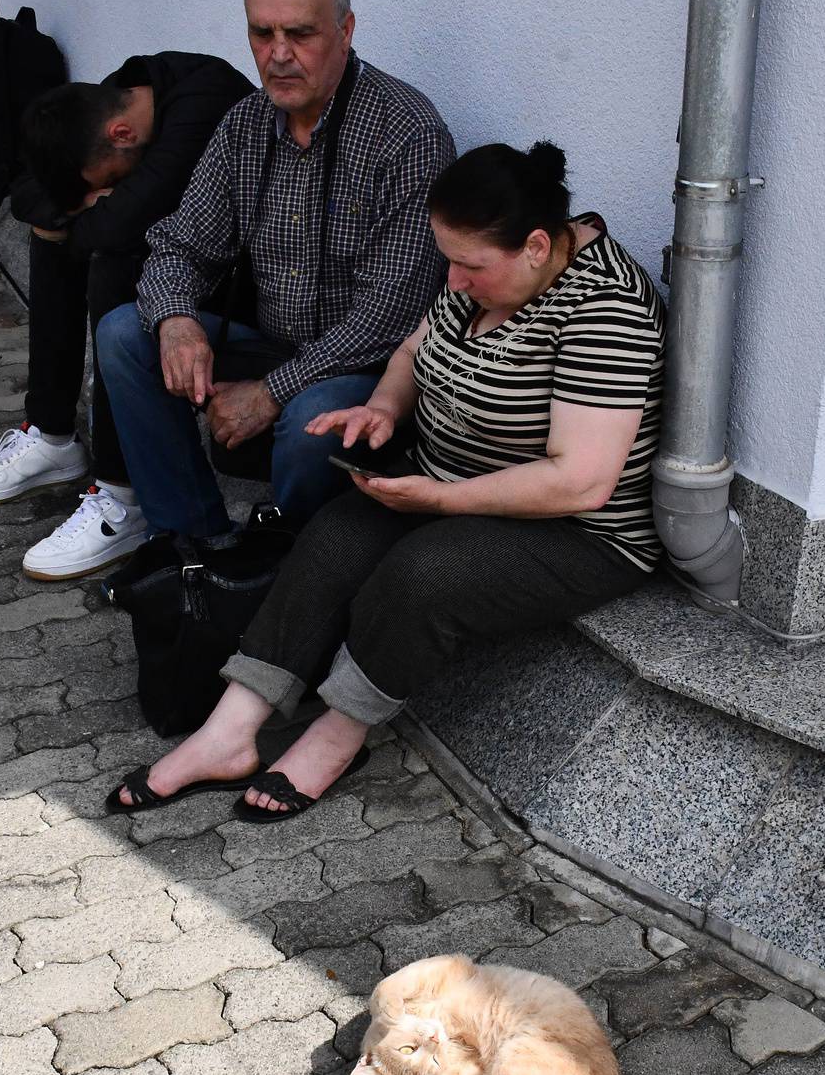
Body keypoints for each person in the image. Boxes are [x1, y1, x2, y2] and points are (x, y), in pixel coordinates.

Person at [107, 141, 665, 819]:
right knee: (337, 533)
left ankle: (339, 734)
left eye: (468, 266)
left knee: (421, 573)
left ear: (539, 247)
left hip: (578, 533)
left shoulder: (608, 310)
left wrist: (442, 499)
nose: (453, 281)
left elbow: (582, 483)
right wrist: (382, 408)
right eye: (448, 260)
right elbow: (411, 348)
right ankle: (228, 733)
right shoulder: (489, 266)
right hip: (457, 485)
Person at [84, 0, 454, 574]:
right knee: (126, 333)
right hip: (276, 345)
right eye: (262, 34)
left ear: (346, 30)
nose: (278, 55)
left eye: (300, 34)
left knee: (313, 420)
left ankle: (296, 565)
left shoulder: (405, 131)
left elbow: (391, 316)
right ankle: (198, 551)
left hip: (370, 371)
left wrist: (270, 393)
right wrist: (177, 321)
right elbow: (180, 245)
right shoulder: (245, 125)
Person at [0, 53, 255, 580]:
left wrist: (89, 215)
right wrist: (85, 207)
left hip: (238, 287)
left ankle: (123, 496)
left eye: (106, 179)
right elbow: (28, 189)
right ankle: (51, 435)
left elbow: (126, 224)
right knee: (54, 233)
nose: (102, 189)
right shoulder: (123, 92)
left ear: (121, 135)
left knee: (112, 259)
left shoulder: (205, 106)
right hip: (180, 274)